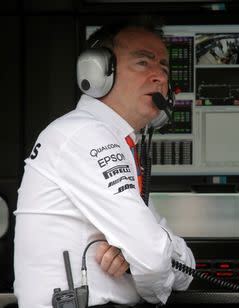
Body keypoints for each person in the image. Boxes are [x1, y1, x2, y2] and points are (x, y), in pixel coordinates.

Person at [14, 16, 195, 308]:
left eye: (163, 66)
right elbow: (151, 259)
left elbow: (182, 266)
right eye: (143, 62)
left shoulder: (109, 139)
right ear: (98, 71)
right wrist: (145, 256)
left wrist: (140, 252)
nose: (160, 76)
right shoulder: (86, 135)